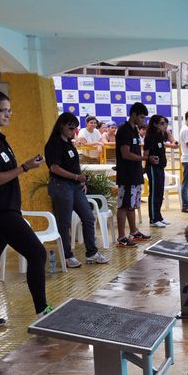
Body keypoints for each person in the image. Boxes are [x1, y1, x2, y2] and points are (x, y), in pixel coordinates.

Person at [0, 89, 52, 327]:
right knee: (36, 253)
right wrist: (24, 168)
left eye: (9, 111)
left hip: (2, 208)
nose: (8, 115)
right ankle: (43, 313)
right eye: (3, 110)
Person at [44, 112, 110, 268]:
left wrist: (81, 180)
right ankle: (67, 256)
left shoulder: (68, 143)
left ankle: (92, 253)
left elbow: (73, 165)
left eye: (75, 127)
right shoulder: (53, 144)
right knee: (64, 222)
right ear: (61, 125)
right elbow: (54, 168)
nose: (73, 130)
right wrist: (75, 177)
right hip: (61, 186)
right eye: (70, 126)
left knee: (88, 217)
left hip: (75, 186)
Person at [114, 102, 152, 247]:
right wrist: (144, 158)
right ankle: (121, 237)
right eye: (141, 117)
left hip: (135, 173)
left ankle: (134, 232)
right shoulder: (124, 130)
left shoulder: (134, 130)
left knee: (132, 205)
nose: (143, 121)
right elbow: (125, 153)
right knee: (123, 205)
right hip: (127, 174)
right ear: (134, 114)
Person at [143, 115, 171, 227]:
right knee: (154, 193)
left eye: (165, 123)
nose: (165, 126)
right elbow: (145, 153)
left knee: (159, 192)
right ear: (155, 124)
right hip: (153, 168)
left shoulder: (160, 135)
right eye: (162, 123)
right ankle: (153, 219)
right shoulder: (150, 136)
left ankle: (158, 216)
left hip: (160, 167)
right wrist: (148, 160)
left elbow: (170, 138)